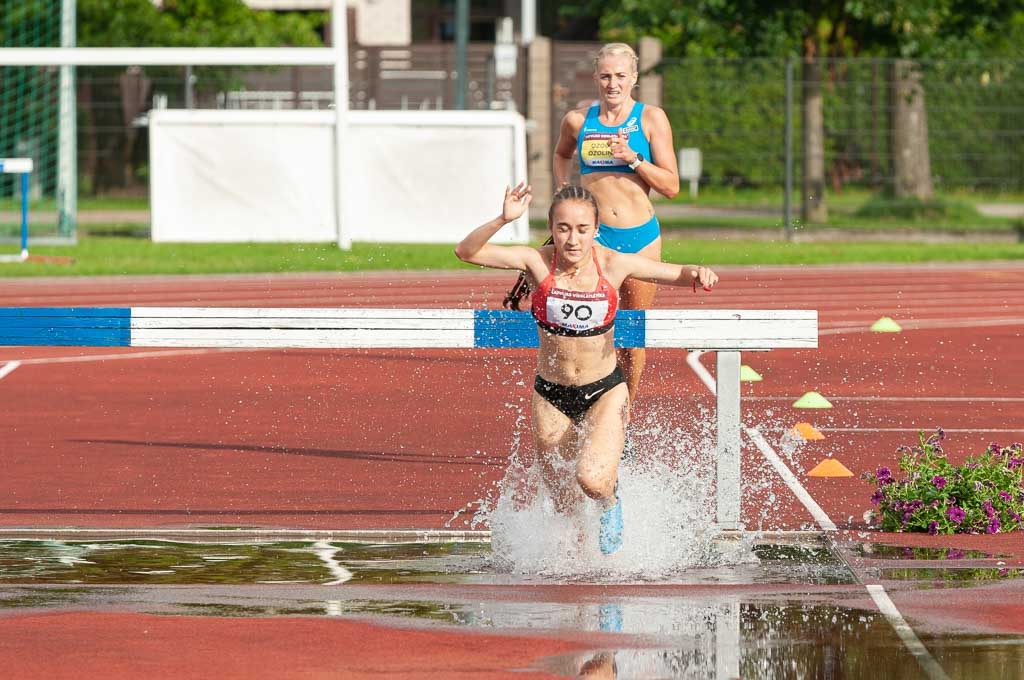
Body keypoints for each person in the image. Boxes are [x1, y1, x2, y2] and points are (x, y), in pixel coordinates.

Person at [455, 183, 717, 555]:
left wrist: (699, 272)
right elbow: (466, 252)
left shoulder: (614, 263)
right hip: (550, 394)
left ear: (596, 230)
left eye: (581, 230)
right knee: (562, 504)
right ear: (552, 227)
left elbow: (674, 272)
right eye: (563, 229)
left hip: (604, 392)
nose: (572, 239)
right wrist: (504, 218)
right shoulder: (536, 261)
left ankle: (612, 503)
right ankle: (584, 574)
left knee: (591, 482)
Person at [551, 42, 681, 403]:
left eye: (620, 76)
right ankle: (586, 402)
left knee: (631, 338)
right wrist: (563, 190)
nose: (613, 84)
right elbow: (561, 154)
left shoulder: (652, 119)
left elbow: (672, 186)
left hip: (639, 238)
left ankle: (625, 411)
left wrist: (635, 159)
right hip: (597, 240)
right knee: (585, 325)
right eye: (606, 76)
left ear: (634, 78)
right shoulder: (579, 120)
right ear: (595, 78)